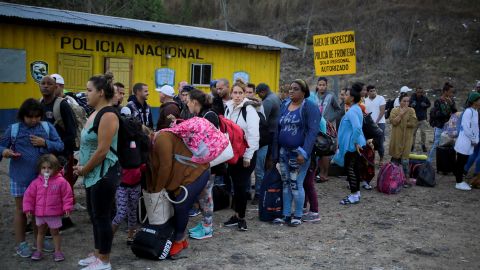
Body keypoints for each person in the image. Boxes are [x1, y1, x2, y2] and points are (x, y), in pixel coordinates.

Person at [0, 98, 64, 258]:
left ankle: (38, 242)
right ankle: (21, 244)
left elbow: (60, 145)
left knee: (39, 212)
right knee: (21, 211)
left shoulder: (46, 127)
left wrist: (45, 142)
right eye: (30, 117)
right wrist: (5, 152)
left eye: (37, 116)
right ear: (23, 116)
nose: (34, 120)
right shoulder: (13, 129)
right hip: (20, 177)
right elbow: (1, 146)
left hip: (43, 180)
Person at [74, 72, 120, 270]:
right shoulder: (94, 112)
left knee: (102, 217)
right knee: (95, 215)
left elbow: (102, 150)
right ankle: (98, 253)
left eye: (89, 90)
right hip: (93, 173)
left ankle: (105, 261)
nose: (86, 94)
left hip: (104, 172)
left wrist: (85, 168)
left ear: (101, 92)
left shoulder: (108, 114)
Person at [147, 130, 210, 256]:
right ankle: (181, 239)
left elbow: (165, 167)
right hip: (186, 174)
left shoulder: (162, 139)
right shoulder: (154, 143)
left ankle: (179, 239)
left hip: (196, 172)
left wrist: (157, 190)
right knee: (178, 206)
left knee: (181, 205)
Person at [272, 79, 320, 226]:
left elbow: (312, 132)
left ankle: (298, 215)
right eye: (290, 89)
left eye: (296, 89)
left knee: (296, 184)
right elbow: (278, 128)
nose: (291, 91)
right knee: (286, 183)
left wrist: (304, 153)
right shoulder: (285, 104)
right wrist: (274, 153)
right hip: (283, 152)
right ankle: (286, 214)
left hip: (298, 154)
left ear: (304, 92)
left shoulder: (309, 107)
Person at [39, 75, 78, 230]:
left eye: (50, 84)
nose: (46, 86)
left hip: (61, 154)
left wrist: (63, 154)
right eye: (43, 83)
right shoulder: (39, 104)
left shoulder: (62, 105)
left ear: (56, 87)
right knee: (46, 186)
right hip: (45, 154)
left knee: (62, 186)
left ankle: (65, 219)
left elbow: (71, 131)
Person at [185, 89, 224, 239]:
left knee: (206, 195)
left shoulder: (209, 115)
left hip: (211, 164)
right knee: (202, 195)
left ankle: (208, 228)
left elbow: (208, 141)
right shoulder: (202, 114)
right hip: (204, 163)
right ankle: (205, 223)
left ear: (195, 102)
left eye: (188, 100)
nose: (187, 103)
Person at [223, 79, 260, 231]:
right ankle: (236, 215)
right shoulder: (228, 108)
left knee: (242, 186)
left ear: (244, 94)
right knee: (235, 186)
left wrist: (248, 156)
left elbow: (253, 135)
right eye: (235, 92)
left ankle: (242, 218)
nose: (237, 95)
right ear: (231, 94)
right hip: (232, 154)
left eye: (240, 93)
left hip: (246, 154)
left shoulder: (249, 110)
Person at [23, 154, 73, 262]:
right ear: (40, 168)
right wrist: (28, 209)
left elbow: (67, 195)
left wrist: (67, 207)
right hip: (40, 213)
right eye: (44, 168)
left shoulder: (61, 182)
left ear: (55, 167)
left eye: (49, 168)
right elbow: (28, 196)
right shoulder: (36, 183)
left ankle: (58, 251)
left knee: (55, 232)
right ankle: (39, 250)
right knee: (40, 232)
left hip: (54, 213)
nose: (46, 170)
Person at [333, 83, 366, 205]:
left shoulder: (352, 111)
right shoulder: (356, 108)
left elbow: (357, 128)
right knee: (354, 169)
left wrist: (353, 143)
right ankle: (356, 193)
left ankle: (353, 195)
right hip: (352, 145)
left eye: (346, 95)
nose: (344, 97)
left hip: (351, 147)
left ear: (352, 98)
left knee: (351, 170)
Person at [308, 77, 342, 183]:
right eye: (320, 84)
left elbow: (338, 110)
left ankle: (324, 174)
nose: (321, 87)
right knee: (316, 149)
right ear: (317, 85)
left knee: (325, 151)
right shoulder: (313, 96)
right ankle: (317, 172)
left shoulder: (331, 96)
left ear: (326, 85)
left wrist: (329, 119)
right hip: (315, 126)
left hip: (327, 128)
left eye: (323, 85)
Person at [254, 83, 281, 202]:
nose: (259, 96)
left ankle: (262, 189)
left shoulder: (268, 101)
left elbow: (260, 118)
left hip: (269, 134)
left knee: (265, 163)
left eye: (259, 94)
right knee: (268, 162)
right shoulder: (275, 97)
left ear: (262, 91)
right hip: (274, 132)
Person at [389, 93, 418, 185]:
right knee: (395, 159)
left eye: (408, 101)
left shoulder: (411, 110)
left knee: (405, 160)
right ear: (400, 101)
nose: (406, 103)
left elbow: (413, 123)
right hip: (396, 138)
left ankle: (406, 179)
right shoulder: (394, 110)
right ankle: (393, 178)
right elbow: (393, 122)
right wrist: (401, 115)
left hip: (407, 138)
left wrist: (402, 122)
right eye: (404, 101)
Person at [454, 92, 480, 191]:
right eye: (479, 100)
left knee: (463, 160)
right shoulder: (468, 111)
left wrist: (476, 139)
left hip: (470, 142)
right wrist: (474, 139)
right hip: (464, 141)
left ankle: (460, 180)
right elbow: (466, 127)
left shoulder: (475, 111)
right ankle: (458, 182)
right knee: (460, 161)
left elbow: (476, 128)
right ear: (474, 102)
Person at [427, 82, 457, 162]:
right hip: (440, 126)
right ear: (445, 91)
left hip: (449, 127)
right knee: (436, 143)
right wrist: (447, 113)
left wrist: (451, 104)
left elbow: (454, 112)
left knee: (450, 144)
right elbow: (438, 114)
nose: (452, 94)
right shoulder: (438, 101)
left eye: (452, 92)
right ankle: (428, 161)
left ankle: (447, 161)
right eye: (450, 92)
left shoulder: (452, 101)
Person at [364, 85, 386, 165]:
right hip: (369, 125)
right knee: (370, 142)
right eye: (371, 91)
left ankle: (381, 159)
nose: (373, 92)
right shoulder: (365, 100)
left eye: (374, 90)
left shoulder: (381, 98)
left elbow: (382, 111)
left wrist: (376, 122)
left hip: (380, 123)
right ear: (367, 92)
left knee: (380, 142)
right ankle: (370, 159)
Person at [409, 87, 431, 152]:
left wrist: (425, 105)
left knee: (423, 133)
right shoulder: (412, 98)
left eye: (421, 92)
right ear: (416, 92)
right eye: (418, 92)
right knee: (413, 133)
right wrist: (411, 105)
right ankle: (412, 146)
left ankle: (423, 145)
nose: (419, 93)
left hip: (422, 119)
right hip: (414, 118)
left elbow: (429, 104)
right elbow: (408, 105)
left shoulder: (425, 98)